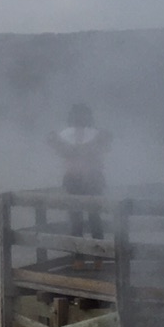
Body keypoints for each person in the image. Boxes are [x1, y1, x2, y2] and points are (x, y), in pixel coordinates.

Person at [48, 102, 112, 240]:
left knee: (94, 218)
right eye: (78, 115)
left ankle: (97, 258)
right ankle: (79, 259)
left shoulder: (98, 136)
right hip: (74, 180)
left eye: (83, 115)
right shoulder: (65, 137)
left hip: (92, 180)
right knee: (76, 219)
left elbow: (103, 145)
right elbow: (59, 148)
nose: (80, 118)